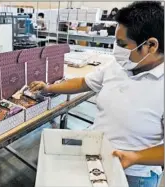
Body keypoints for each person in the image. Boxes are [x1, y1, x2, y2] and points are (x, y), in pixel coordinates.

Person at [29, 2, 164, 187]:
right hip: (96, 157)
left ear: (151, 45)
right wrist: (49, 88)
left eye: (122, 44)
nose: (117, 50)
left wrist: (135, 157)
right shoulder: (119, 66)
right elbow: (83, 82)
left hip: (135, 175)